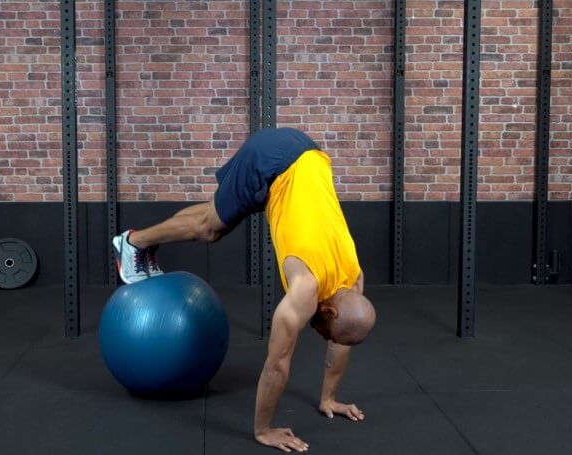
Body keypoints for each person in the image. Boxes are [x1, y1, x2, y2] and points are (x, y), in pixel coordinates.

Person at [112, 127, 376, 453]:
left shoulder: (354, 281)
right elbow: (276, 364)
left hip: (305, 156)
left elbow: (342, 338)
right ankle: (132, 243)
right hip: (273, 160)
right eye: (325, 333)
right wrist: (263, 430)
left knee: (216, 217)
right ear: (331, 310)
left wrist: (329, 397)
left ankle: (139, 243)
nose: (323, 337)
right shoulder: (306, 288)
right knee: (209, 229)